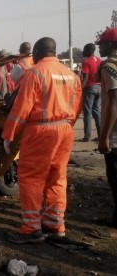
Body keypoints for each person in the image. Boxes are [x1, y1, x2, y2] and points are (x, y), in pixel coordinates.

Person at [2, 37, 82, 243]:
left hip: (41, 132)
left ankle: (31, 228)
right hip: (65, 129)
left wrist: (9, 135)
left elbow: (21, 109)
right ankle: (55, 224)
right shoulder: (72, 75)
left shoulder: (35, 73)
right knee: (57, 177)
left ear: (37, 52)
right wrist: (65, 127)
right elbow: (76, 107)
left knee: (31, 177)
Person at [96, 28, 117, 238]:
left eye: (101, 44)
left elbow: (114, 100)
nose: (99, 47)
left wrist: (105, 137)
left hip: (115, 134)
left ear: (110, 45)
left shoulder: (110, 67)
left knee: (115, 178)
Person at [80, 43, 102, 142]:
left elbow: (85, 78)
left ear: (89, 51)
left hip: (89, 88)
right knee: (96, 111)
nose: (83, 51)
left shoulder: (86, 62)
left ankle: (87, 136)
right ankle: (101, 134)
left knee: (87, 112)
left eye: (84, 49)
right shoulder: (99, 61)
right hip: (99, 87)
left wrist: (79, 89)